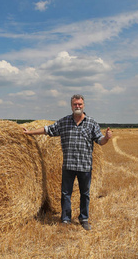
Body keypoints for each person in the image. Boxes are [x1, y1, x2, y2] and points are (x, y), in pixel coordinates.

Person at [23, 94, 112, 231]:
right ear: (71, 106)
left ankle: (84, 218)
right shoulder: (64, 122)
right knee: (65, 194)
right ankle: (65, 219)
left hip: (85, 166)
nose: (78, 106)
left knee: (85, 194)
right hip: (68, 166)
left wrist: (106, 137)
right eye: (75, 104)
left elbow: (100, 141)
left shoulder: (91, 123)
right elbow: (47, 130)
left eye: (80, 104)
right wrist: (30, 132)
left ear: (83, 105)